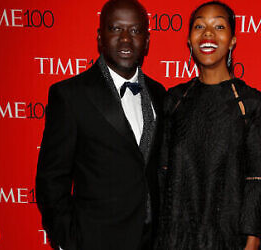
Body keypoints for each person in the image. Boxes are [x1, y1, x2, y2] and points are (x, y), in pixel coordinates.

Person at [156, 1, 261, 250]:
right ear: (189, 40)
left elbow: (257, 181)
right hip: (178, 237)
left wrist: (250, 244)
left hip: (231, 239)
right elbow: (164, 177)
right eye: (199, 26)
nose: (208, 33)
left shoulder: (251, 103)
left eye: (218, 26)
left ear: (233, 40)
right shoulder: (174, 100)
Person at [35, 0, 166, 249]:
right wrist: (69, 241)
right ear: (100, 37)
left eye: (135, 31)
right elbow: (51, 180)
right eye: (116, 29)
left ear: (147, 41)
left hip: (151, 241)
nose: (126, 39)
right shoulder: (71, 95)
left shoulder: (159, 94)